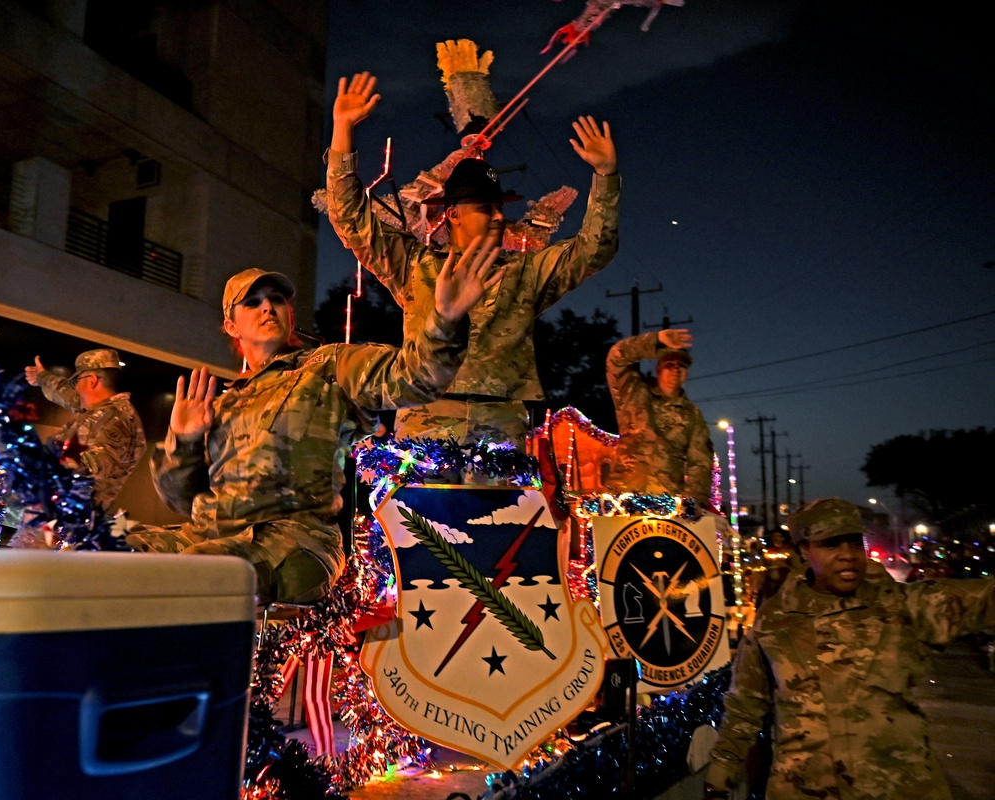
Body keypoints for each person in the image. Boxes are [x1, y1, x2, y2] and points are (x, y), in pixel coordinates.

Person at [127, 240, 501, 605]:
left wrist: (445, 321)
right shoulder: (222, 402)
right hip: (208, 535)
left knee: (193, 572)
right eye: (253, 302)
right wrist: (184, 438)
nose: (268, 308)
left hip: (294, 542)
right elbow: (180, 500)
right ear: (230, 326)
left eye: (276, 300)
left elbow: (416, 377)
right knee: (107, 549)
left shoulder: (328, 367)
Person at [323, 71, 620, 448]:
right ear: (453, 214)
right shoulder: (415, 266)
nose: (498, 216)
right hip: (426, 422)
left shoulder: (525, 272)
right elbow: (350, 217)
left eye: (499, 207)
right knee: (422, 510)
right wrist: (342, 131)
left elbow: (595, 250)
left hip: (502, 427)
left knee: (503, 510)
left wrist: (605, 176)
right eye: (484, 207)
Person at [705, 498, 995, 800]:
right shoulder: (775, 622)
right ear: (804, 551)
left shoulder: (902, 606)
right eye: (831, 545)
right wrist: (720, 774)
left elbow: (984, 599)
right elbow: (746, 706)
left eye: (855, 543)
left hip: (901, 787)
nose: (847, 555)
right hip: (805, 789)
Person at [15, 349, 145, 538]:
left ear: (92, 380)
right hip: (57, 516)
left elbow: (101, 462)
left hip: (70, 525)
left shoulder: (117, 417)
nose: (75, 388)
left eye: (77, 381)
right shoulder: (99, 411)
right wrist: (42, 378)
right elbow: (66, 394)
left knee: (30, 565)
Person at [605, 328, 713, 503]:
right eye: (670, 364)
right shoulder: (633, 391)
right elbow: (616, 359)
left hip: (667, 503)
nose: (675, 369)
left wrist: (693, 503)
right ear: (658, 369)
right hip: (623, 497)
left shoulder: (692, 414)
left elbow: (700, 463)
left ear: (687, 373)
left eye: (682, 366)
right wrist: (655, 340)